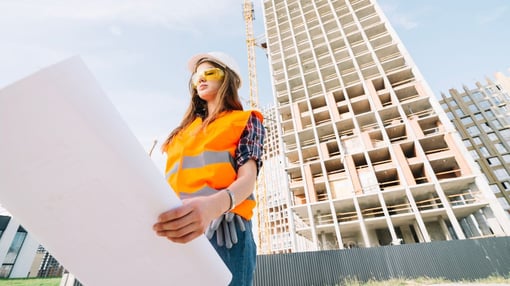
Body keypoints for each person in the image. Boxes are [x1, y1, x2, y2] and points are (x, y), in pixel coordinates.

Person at [153, 51, 265, 286]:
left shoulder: (244, 120)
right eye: (196, 77)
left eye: (210, 73)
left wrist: (214, 207)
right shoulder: (180, 132)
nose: (201, 79)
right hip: (176, 227)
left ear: (228, 79)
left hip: (224, 230)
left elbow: (248, 178)